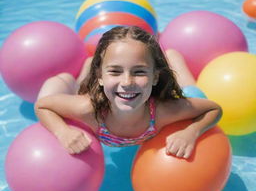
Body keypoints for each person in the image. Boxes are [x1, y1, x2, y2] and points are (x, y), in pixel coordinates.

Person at [34, 26, 222, 159]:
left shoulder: (164, 111)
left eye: (139, 72)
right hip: (91, 90)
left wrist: (191, 132)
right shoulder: (88, 109)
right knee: (68, 85)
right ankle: (78, 72)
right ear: (99, 76)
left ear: (155, 77)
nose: (127, 82)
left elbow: (214, 109)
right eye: (115, 71)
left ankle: (172, 56)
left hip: (169, 96)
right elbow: (42, 105)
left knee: (193, 92)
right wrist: (62, 131)